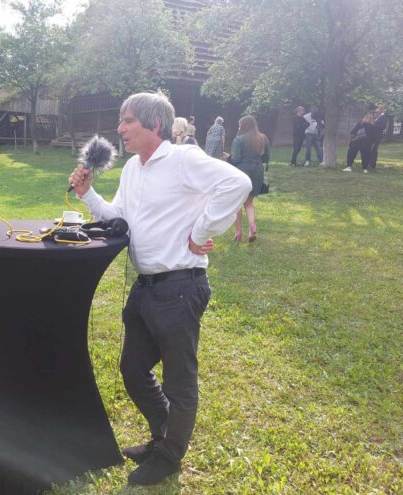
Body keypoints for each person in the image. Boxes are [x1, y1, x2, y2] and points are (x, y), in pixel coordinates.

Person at [69, 92, 251, 486]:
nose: (119, 127)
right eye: (121, 120)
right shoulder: (133, 168)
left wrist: (200, 232)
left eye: (128, 120)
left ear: (154, 124)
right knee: (132, 368)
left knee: (178, 382)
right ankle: (163, 434)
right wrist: (87, 195)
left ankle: (168, 456)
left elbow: (238, 182)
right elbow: (119, 218)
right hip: (146, 287)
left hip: (180, 287)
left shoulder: (183, 158)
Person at [229, 115, 270, 243]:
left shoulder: (238, 140)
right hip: (258, 170)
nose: (238, 127)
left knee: (237, 203)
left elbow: (236, 159)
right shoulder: (263, 138)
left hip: (242, 172)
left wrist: (228, 158)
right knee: (249, 203)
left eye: (240, 125)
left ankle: (238, 232)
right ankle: (252, 227)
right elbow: (266, 158)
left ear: (244, 126)